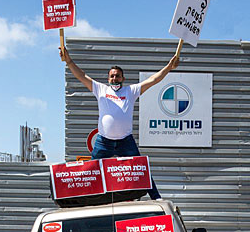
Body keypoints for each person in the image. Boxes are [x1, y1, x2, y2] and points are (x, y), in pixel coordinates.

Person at [59, 46, 180, 200]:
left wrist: (169, 67)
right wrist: (68, 61)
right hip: (104, 141)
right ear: (108, 79)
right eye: (112, 76)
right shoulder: (100, 89)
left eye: (117, 76)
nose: (114, 79)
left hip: (125, 141)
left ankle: (156, 197)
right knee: (92, 171)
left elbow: (153, 80)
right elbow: (82, 76)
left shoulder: (131, 91)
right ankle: (84, 199)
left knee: (141, 168)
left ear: (123, 78)